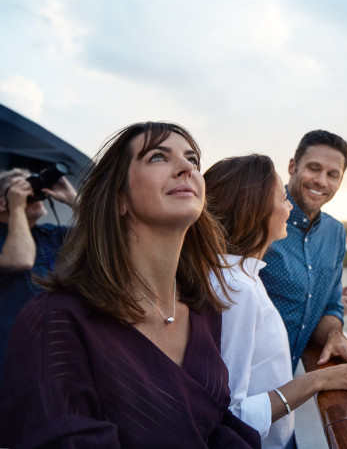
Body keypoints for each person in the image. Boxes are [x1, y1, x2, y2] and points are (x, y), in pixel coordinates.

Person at [0, 122, 259, 448]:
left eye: (192, 158)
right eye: (157, 157)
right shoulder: (56, 321)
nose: (187, 168)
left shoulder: (202, 309)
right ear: (119, 198)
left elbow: (215, 427)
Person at [205, 154, 347, 449]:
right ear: (257, 210)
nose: (288, 208)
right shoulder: (238, 289)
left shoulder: (244, 278)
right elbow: (231, 413)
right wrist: (320, 380)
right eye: (283, 198)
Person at [260, 130, 347, 370]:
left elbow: (331, 305)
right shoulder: (258, 215)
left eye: (333, 174)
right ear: (292, 166)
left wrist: (335, 334)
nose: (322, 181)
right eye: (314, 168)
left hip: (284, 383)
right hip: (231, 381)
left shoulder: (335, 233)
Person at [0, 167, 76, 375]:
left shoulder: (51, 234)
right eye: (20, 188)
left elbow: (115, 235)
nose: (32, 192)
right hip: (11, 358)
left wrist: (72, 199)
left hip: (57, 351)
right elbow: (20, 259)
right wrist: (16, 208)